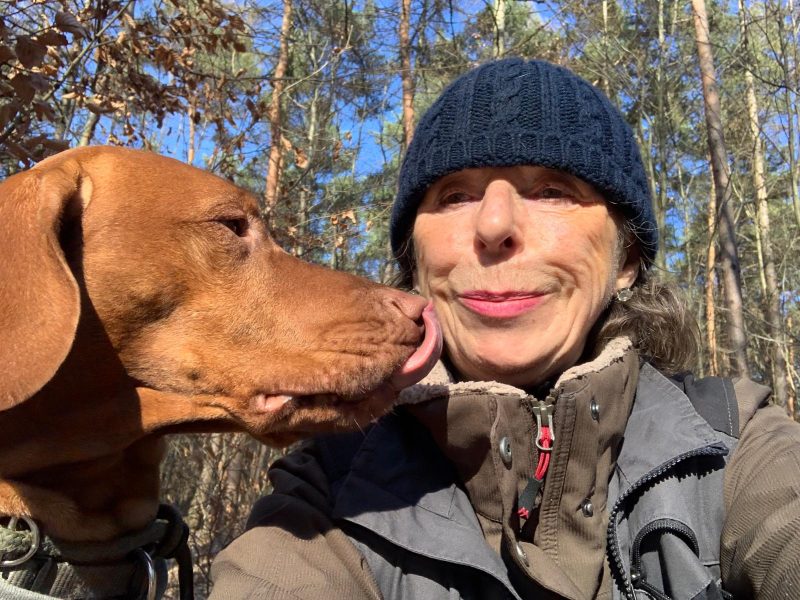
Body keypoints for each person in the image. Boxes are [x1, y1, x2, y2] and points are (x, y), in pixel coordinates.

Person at [210, 58, 800, 599]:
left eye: (552, 191)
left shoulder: (734, 447)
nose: (493, 225)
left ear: (625, 258)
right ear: (415, 260)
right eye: (455, 196)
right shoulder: (331, 488)